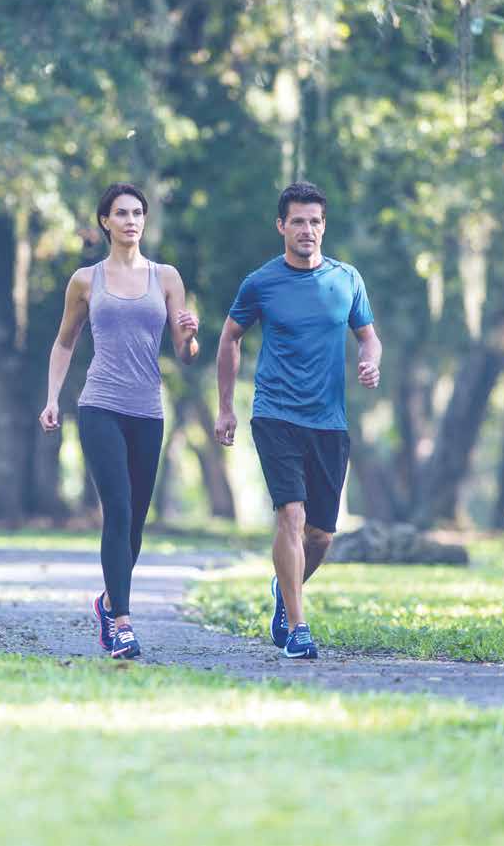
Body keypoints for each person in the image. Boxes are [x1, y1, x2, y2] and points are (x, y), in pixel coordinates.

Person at [214, 181, 381, 660]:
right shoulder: (261, 282)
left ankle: (284, 589)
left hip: (329, 420)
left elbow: (369, 337)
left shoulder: (346, 279)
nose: (307, 230)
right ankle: (299, 625)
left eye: (315, 221)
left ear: (323, 226)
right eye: (298, 221)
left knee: (322, 534)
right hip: (276, 414)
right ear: (281, 226)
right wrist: (226, 407)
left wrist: (371, 360)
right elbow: (229, 339)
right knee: (291, 515)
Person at [39, 183, 199, 659]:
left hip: (147, 409)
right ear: (105, 222)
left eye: (138, 213)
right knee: (118, 509)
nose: (131, 220)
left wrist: (191, 338)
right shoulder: (86, 281)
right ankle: (123, 624)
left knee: (136, 527)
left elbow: (185, 355)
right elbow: (65, 342)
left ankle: (108, 601)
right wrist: (52, 398)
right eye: (121, 213)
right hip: (100, 405)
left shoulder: (166, 277)